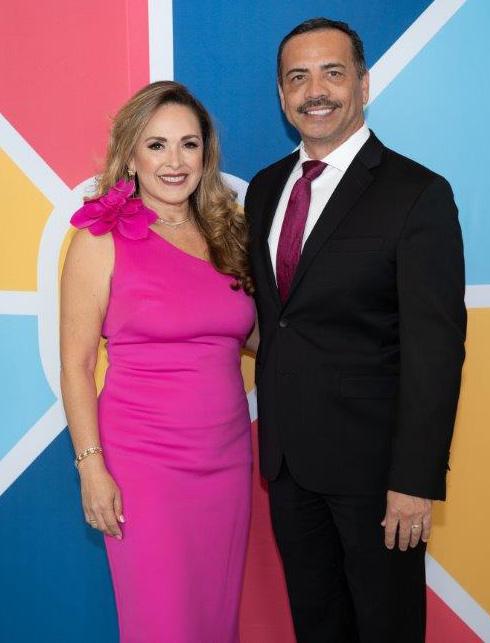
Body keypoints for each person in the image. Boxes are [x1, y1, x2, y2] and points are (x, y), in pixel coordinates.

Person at [245, 18, 466, 643]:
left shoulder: (417, 193)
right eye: (298, 77)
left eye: (332, 73)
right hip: (288, 467)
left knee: (386, 628)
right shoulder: (264, 189)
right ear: (282, 95)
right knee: (317, 626)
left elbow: (435, 350)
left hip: (378, 476)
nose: (315, 91)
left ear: (363, 84)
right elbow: (278, 319)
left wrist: (413, 481)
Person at [60, 81, 257, 643]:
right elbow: (76, 364)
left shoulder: (228, 234)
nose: (175, 162)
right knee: (163, 625)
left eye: (189, 144)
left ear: (205, 154)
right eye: (156, 145)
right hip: (143, 468)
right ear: (131, 156)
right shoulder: (99, 239)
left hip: (226, 462)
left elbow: (264, 337)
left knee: (215, 623)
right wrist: (92, 468)